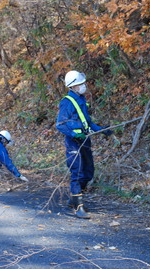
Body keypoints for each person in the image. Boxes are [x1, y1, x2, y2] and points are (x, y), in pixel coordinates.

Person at [56, 70, 113, 219]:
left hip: (85, 140)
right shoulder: (67, 103)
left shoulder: (81, 100)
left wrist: (101, 130)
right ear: (73, 86)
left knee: (88, 172)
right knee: (77, 172)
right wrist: (75, 134)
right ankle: (78, 207)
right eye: (80, 84)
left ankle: (73, 199)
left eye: (83, 83)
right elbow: (60, 125)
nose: (83, 86)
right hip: (73, 143)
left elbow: (87, 122)